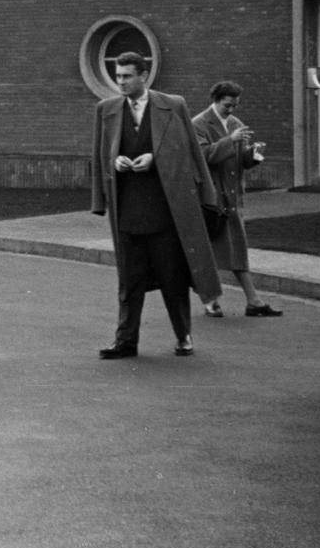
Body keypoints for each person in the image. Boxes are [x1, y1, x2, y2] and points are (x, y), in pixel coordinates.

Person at [90, 52, 222, 358]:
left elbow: (190, 152)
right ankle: (125, 341)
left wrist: (155, 158)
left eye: (127, 76)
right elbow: (99, 155)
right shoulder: (106, 109)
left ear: (144, 76)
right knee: (128, 281)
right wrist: (115, 163)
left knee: (172, 279)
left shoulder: (172, 105)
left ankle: (183, 336)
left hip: (165, 213)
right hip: (127, 212)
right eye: (118, 76)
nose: (121, 82)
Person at [193, 80, 283, 318]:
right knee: (210, 253)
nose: (231, 110)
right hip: (211, 200)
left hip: (231, 199)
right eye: (227, 105)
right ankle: (211, 300)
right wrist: (230, 140)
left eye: (235, 105)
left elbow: (240, 160)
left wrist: (253, 155)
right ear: (215, 101)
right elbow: (203, 156)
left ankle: (253, 300)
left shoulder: (236, 124)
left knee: (237, 249)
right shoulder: (198, 124)